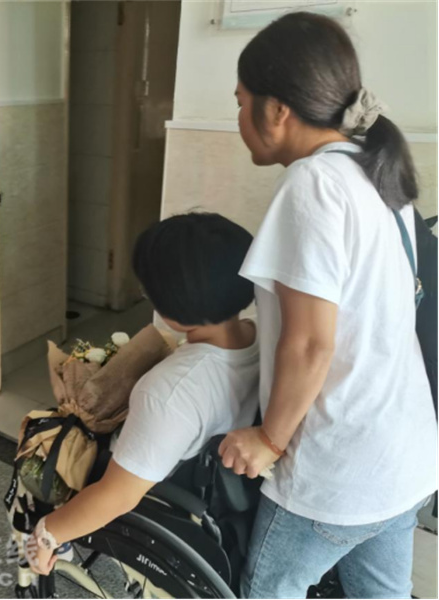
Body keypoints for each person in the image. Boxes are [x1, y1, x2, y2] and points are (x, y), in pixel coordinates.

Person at [217, 12, 438, 599]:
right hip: (405, 456)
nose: (238, 117)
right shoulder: (374, 170)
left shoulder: (312, 184)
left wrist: (268, 440)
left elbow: (311, 343)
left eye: (240, 102)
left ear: (276, 110)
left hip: (338, 471)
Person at [28, 213, 260, 574]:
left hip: (167, 490)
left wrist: (48, 533)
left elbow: (118, 495)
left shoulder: (170, 390)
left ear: (172, 303)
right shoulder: (260, 336)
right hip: (229, 488)